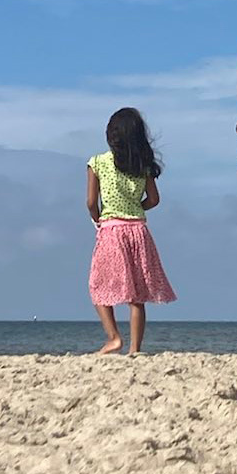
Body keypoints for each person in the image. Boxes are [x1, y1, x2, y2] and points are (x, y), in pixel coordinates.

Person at [86, 107, 176, 354]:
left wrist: (98, 219)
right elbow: (154, 199)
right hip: (138, 231)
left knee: (99, 286)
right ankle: (135, 349)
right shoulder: (143, 166)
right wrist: (137, 206)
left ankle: (114, 337)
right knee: (136, 295)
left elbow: (91, 203)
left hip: (111, 230)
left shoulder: (98, 163)